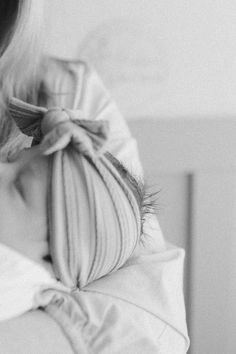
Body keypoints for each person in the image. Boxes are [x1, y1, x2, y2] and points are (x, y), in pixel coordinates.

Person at [0, 1, 190, 353]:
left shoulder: (68, 90)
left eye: (19, 188)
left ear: (48, 263)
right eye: (11, 160)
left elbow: (150, 329)